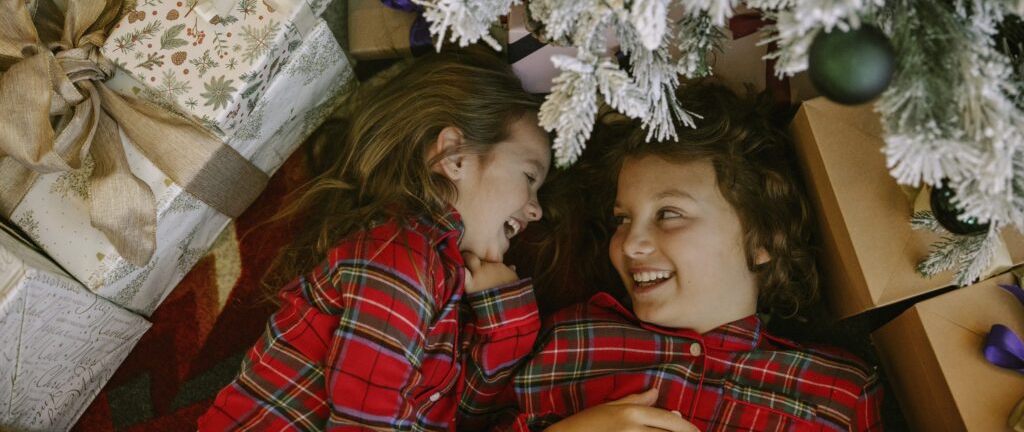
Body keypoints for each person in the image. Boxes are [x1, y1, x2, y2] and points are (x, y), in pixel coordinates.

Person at [461, 82, 884, 432]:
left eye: (668, 214)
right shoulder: (563, 339)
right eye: (622, 219)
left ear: (763, 240)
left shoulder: (837, 393)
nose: (628, 244)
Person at [198, 49, 552, 432]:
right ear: (455, 156)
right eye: (530, 179)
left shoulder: (439, 281)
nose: (537, 211)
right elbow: (366, 416)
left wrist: (505, 319)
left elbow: (465, 413)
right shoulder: (399, 257)